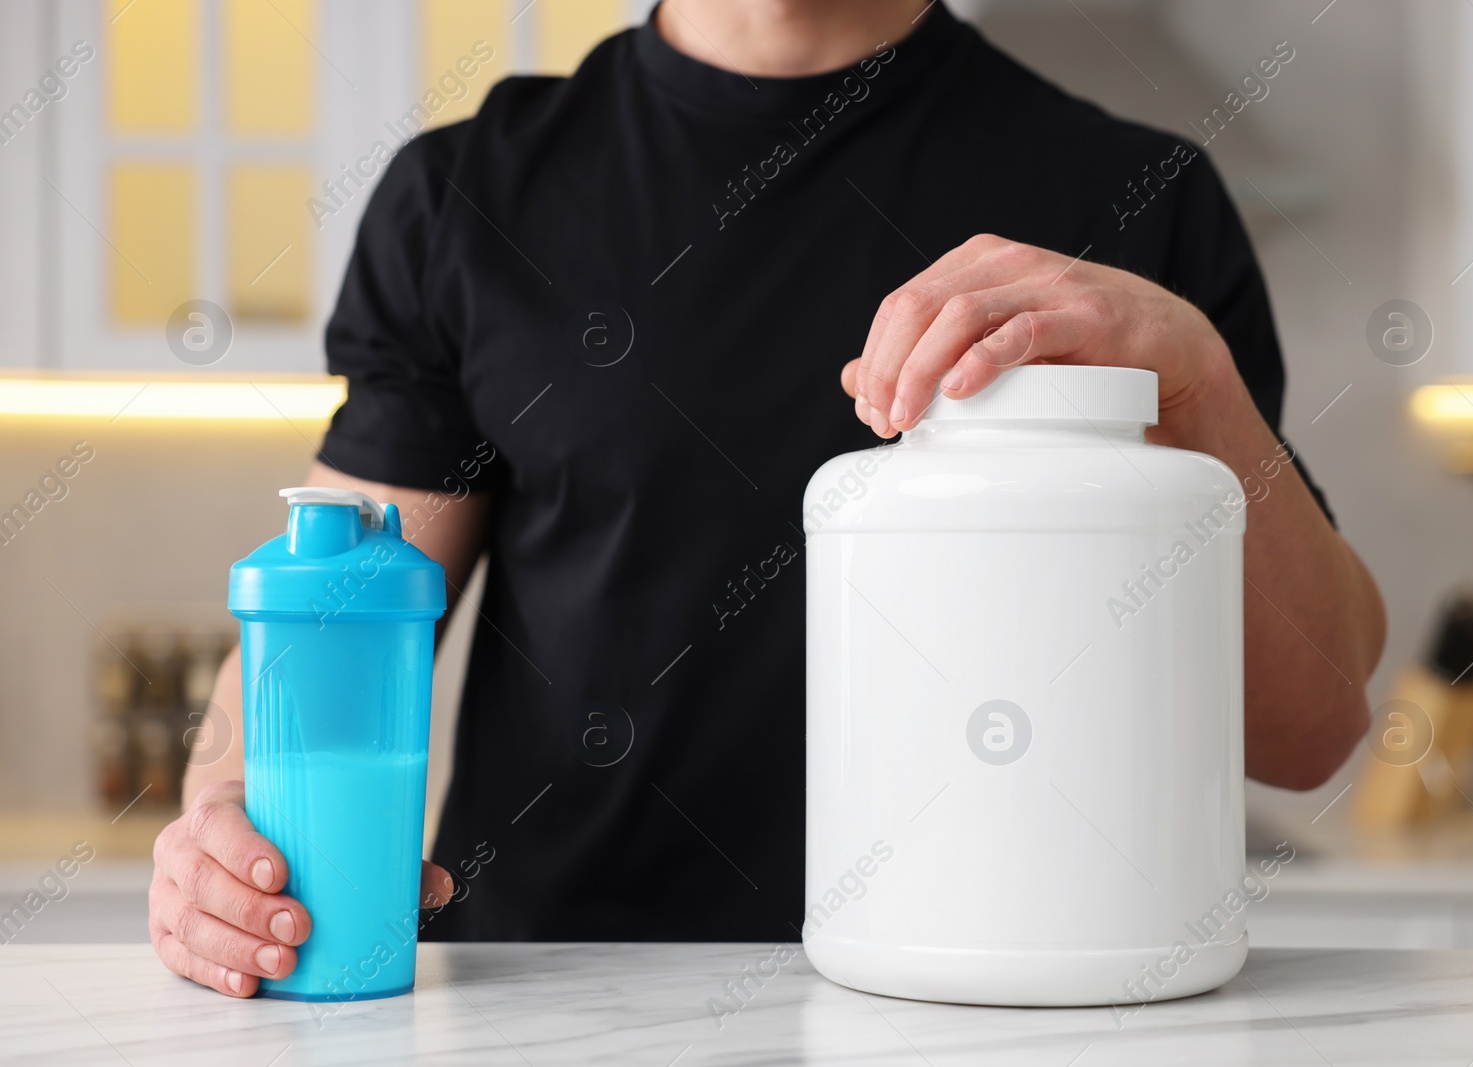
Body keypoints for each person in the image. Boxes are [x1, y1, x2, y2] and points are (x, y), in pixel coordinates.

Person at [149, 0, 1386, 997]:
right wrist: (223, 826)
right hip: (560, 1000)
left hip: (1003, 1005)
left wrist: (1195, 374)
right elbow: (340, 592)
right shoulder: (471, 193)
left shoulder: (1131, 202)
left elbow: (1312, 727)